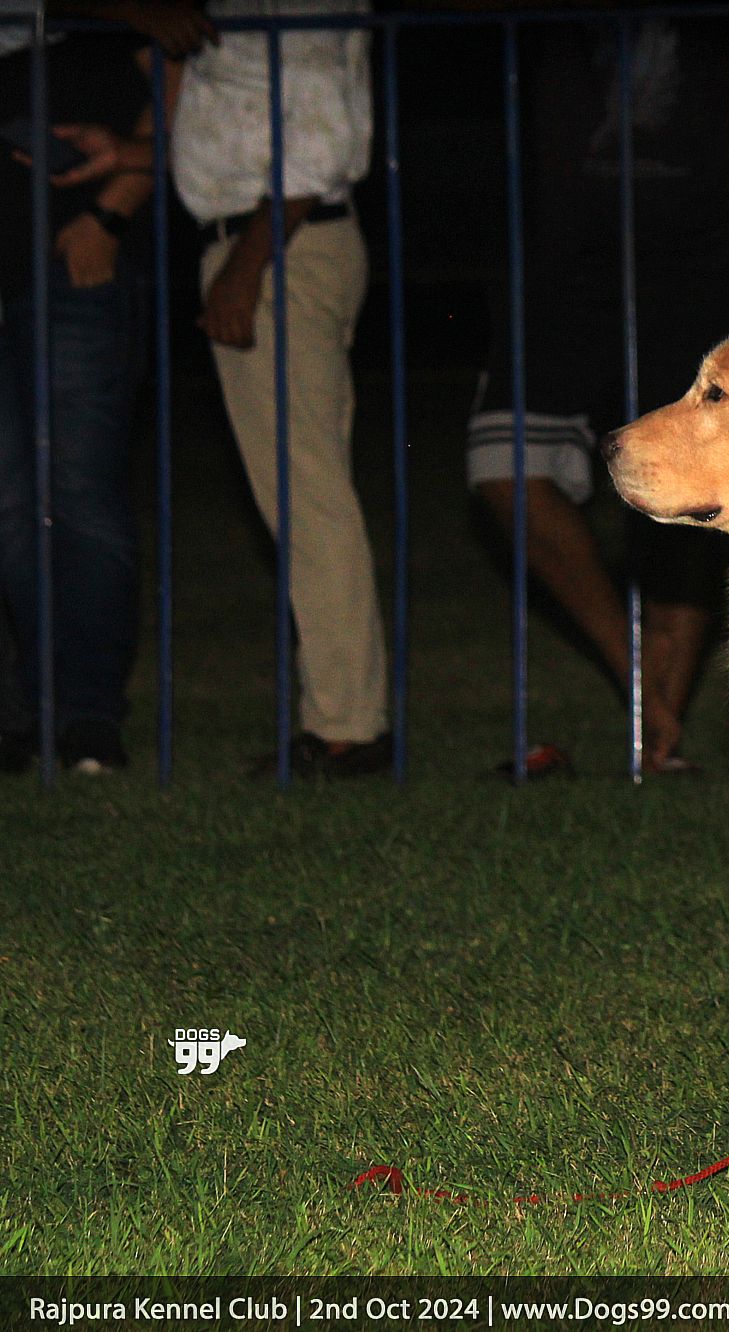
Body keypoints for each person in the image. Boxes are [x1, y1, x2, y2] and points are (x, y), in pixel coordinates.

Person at [457, 13, 729, 777]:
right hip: (563, 259)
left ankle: (659, 736)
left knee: (697, 490)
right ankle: (639, 675)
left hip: (694, 259)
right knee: (503, 466)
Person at [173, 0, 388, 777]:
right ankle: (344, 716)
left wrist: (246, 264)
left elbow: (318, 137)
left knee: (305, 494)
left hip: (276, 246)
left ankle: (345, 726)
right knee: (310, 487)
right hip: (284, 243)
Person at [0, 0, 211, 775]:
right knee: (9, 505)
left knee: (79, 493)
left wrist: (110, 215)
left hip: (75, 258)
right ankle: (34, 711)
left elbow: (179, 73)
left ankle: (88, 716)